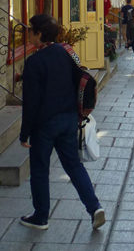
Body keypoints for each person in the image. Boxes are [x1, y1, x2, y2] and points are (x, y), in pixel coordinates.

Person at [19, 14, 105, 231]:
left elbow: (31, 102)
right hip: (68, 118)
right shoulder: (66, 52)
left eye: (31, 30)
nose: (28, 33)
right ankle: (94, 207)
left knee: (39, 169)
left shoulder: (34, 62)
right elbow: (79, 77)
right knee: (74, 166)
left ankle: (41, 216)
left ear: (39, 33)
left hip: (44, 124)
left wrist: (24, 133)